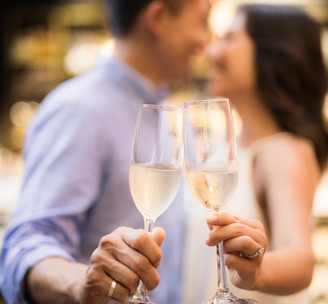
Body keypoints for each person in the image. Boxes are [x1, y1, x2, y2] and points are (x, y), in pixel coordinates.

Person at [0, 0, 210, 303]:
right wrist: (79, 284)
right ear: (159, 17)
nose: (206, 40)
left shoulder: (164, 111)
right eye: (202, 22)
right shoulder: (78, 109)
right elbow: (24, 248)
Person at [185, 3, 327, 304]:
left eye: (229, 38)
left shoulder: (283, 152)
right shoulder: (230, 150)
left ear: (271, 55)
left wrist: (257, 272)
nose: (211, 52)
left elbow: (300, 258)